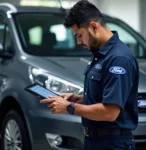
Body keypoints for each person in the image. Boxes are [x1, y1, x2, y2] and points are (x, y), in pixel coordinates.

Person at [40, 0, 139, 149]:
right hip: (95, 141)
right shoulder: (101, 54)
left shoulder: (118, 59)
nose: (78, 41)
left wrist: (69, 107)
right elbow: (103, 97)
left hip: (112, 144)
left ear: (93, 26)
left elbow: (109, 112)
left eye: (80, 35)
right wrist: (78, 99)